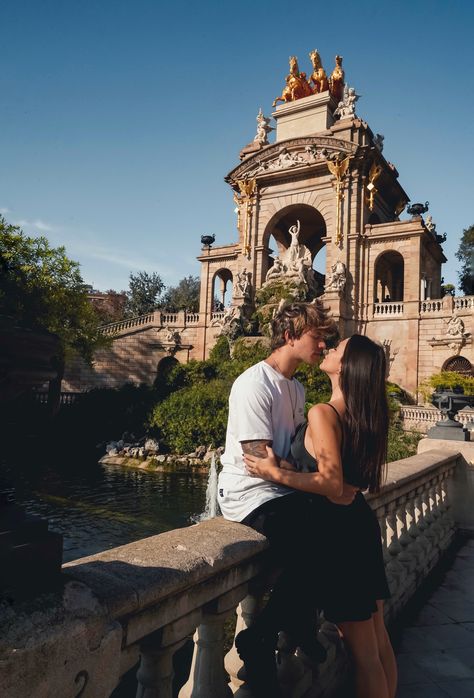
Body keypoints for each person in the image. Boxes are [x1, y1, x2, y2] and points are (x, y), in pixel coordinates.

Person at [244, 334, 398, 698]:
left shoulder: (323, 412)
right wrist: (292, 466)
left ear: (346, 366)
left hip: (338, 534)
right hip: (358, 524)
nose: (329, 349)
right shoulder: (368, 413)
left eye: (338, 349)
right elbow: (345, 480)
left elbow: (331, 482)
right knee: (378, 641)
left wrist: (273, 473)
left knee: (363, 654)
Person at [218, 301, 356, 697]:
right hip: (249, 494)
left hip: (280, 487)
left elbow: (287, 457)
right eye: (317, 337)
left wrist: (292, 470)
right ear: (290, 336)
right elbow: (260, 460)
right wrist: (290, 469)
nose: (323, 344)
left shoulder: (296, 387)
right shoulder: (253, 383)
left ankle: (291, 625)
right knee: (311, 535)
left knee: (332, 528)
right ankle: (262, 636)